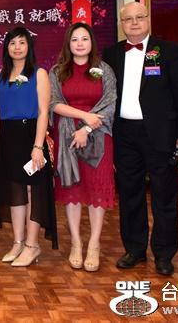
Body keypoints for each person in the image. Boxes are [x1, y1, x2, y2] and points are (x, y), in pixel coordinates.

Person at [102, 2, 178, 276]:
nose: (134, 23)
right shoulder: (112, 53)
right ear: (121, 23)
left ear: (148, 19)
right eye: (128, 19)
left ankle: (164, 254)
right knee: (130, 194)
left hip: (161, 134)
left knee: (164, 195)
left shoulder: (169, 51)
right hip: (124, 134)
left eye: (139, 17)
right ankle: (134, 249)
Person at [49, 23, 116, 272]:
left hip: (99, 135)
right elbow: (53, 103)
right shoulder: (58, 71)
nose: (79, 43)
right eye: (75, 39)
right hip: (67, 135)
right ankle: (76, 243)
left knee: (97, 189)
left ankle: (94, 244)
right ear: (68, 43)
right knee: (73, 190)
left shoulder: (104, 69)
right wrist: (83, 116)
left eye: (84, 39)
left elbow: (110, 103)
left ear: (91, 42)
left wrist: (86, 128)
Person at [0, 27, 57, 267]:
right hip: (7, 137)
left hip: (31, 135)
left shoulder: (39, 74)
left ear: (29, 46)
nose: (17, 47)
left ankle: (32, 245)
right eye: (12, 43)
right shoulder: (0, 74)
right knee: (14, 191)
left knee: (32, 191)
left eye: (22, 42)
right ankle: (18, 242)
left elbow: (43, 112)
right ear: (7, 47)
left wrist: (38, 146)